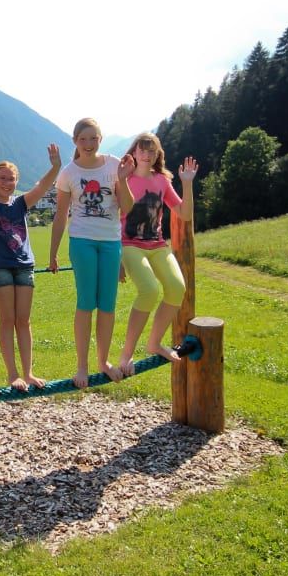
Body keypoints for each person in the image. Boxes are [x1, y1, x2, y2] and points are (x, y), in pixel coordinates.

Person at [48, 118, 135, 388]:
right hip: (82, 241)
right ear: (75, 141)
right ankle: (82, 367)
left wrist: (123, 179)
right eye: (83, 139)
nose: (88, 144)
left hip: (110, 243)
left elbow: (127, 208)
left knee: (107, 305)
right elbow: (60, 216)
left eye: (93, 138)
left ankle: (103, 362)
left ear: (100, 139)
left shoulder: (114, 165)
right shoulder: (68, 173)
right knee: (86, 303)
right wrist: (53, 253)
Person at [0, 139, 61, 391]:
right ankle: (13, 375)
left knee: (23, 321)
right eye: (2, 178)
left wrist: (55, 167)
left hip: (24, 265)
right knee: (7, 319)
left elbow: (42, 186)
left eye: (11, 179)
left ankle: (28, 373)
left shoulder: (21, 203)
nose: (7, 182)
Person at [116, 133, 199, 374]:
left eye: (151, 151)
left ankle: (154, 344)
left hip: (157, 245)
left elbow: (184, 214)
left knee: (177, 287)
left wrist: (187, 183)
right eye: (142, 150)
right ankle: (126, 355)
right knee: (149, 290)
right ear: (134, 152)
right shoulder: (123, 179)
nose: (146, 154)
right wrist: (118, 258)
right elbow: (111, 217)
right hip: (129, 244)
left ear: (157, 155)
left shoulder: (162, 180)